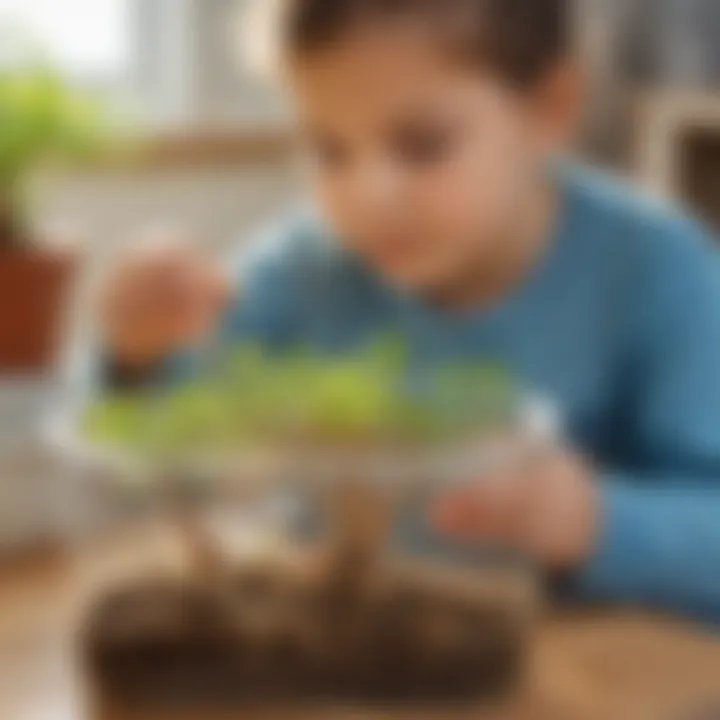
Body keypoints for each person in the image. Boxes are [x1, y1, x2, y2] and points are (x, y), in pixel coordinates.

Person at [99, 0, 720, 622]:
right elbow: (171, 462)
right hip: (340, 658)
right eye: (328, 151)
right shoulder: (301, 270)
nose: (369, 195)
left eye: (423, 147)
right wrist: (138, 354)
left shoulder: (658, 271)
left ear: (548, 108)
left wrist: (594, 523)